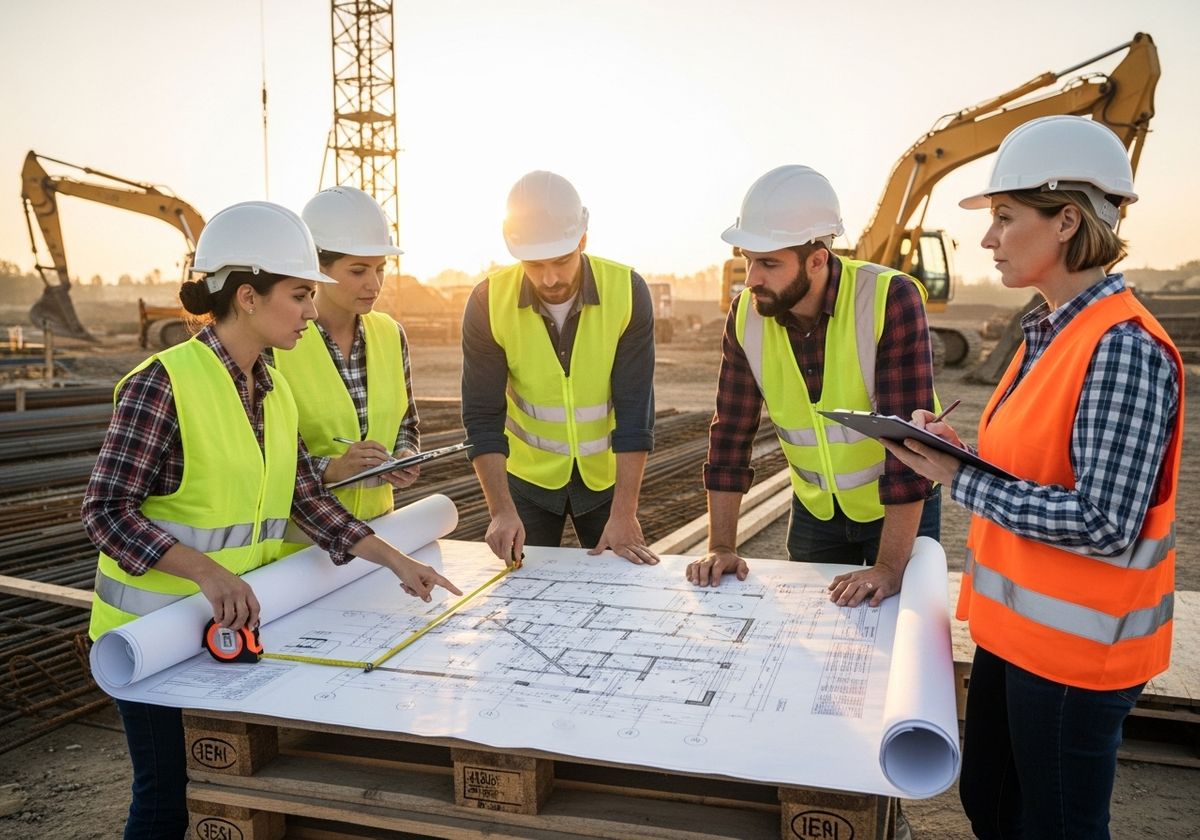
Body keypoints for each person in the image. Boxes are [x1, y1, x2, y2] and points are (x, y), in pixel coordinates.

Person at [82, 201, 463, 840]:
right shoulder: (165, 383)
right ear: (249, 296)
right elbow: (105, 511)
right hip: (150, 635)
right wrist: (207, 573)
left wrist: (395, 559)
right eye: (300, 295)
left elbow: (304, 499)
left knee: (222, 792)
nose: (312, 312)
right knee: (165, 799)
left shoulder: (273, 389)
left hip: (226, 624)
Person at [883, 116, 1182, 839]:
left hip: (1079, 658)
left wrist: (961, 478)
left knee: (1057, 827)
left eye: (1005, 218)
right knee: (993, 804)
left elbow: (1105, 523)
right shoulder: (1047, 330)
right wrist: (959, 449)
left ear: (1067, 221)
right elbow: (1038, 463)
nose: (988, 239)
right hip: (1015, 638)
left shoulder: (1121, 348)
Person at [687, 165, 940, 608]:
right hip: (815, 511)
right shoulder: (746, 315)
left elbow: (909, 446)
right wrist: (722, 546)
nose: (751, 279)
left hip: (897, 513)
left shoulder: (889, 298)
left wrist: (888, 568)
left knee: (896, 639)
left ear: (817, 259)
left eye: (768, 263)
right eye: (748, 259)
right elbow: (730, 435)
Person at [461, 170, 658, 567]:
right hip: (527, 484)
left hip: (605, 485)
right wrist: (500, 510)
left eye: (562, 260)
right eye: (534, 264)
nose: (550, 278)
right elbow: (482, 417)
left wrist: (624, 514)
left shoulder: (628, 291)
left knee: (621, 589)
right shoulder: (487, 302)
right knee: (523, 593)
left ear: (583, 239)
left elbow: (635, 410)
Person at [272, 186, 417, 538]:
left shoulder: (390, 334)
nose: (374, 284)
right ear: (318, 266)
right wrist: (332, 469)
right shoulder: (275, 344)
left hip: (381, 535)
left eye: (380, 269)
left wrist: (406, 454)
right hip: (305, 546)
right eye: (358, 271)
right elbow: (260, 452)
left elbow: (407, 422)